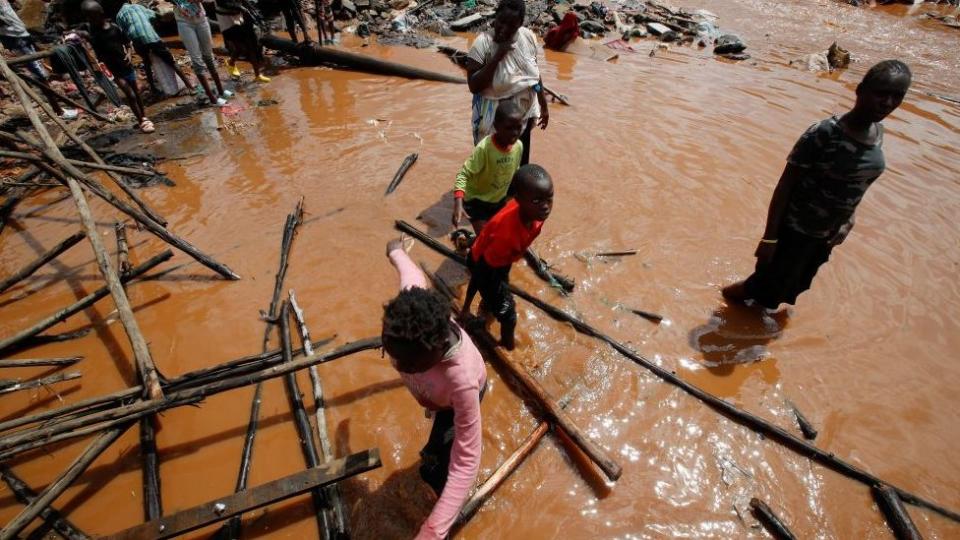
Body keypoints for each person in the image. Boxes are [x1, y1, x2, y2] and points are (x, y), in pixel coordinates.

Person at [722, 60, 912, 310]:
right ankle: (724, 301)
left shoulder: (878, 133)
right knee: (760, 288)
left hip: (826, 235)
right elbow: (784, 187)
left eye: (896, 96)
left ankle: (752, 323)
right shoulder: (825, 133)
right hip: (795, 230)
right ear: (860, 89)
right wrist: (769, 240)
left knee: (791, 288)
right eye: (881, 93)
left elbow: (859, 182)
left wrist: (849, 219)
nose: (887, 103)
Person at [383, 238, 487, 540]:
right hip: (434, 394)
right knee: (432, 461)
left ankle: (447, 501)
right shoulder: (410, 314)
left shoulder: (462, 381)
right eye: (391, 353)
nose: (398, 366)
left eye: (407, 364)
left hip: (451, 405)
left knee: (434, 467)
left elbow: (467, 458)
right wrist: (396, 251)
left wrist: (432, 530)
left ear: (438, 350)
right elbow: (411, 274)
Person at [462, 164, 554, 350]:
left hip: (500, 260)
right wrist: (466, 307)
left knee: (495, 297)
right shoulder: (505, 235)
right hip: (485, 263)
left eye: (549, 199)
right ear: (519, 200)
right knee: (509, 316)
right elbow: (480, 271)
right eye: (537, 201)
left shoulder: (536, 216)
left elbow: (522, 243)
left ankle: (486, 307)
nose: (545, 207)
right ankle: (508, 348)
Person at [464, 0, 548, 166]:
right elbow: (473, 86)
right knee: (491, 167)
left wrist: (543, 104)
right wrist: (498, 57)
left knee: (519, 165)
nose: (503, 28)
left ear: (520, 24)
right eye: (501, 21)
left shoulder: (528, 38)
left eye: (511, 25)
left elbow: (534, 75)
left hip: (522, 118)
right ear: (496, 16)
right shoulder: (483, 44)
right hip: (496, 122)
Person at [78, 0, 154, 132]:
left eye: (93, 17)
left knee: (136, 92)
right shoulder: (93, 33)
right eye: (89, 17)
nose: (91, 20)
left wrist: (129, 54)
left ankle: (143, 117)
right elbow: (96, 50)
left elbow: (127, 43)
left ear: (101, 14)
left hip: (126, 65)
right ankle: (142, 121)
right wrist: (85, 38)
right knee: (130, 95)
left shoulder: (114, 28)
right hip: (113, 70)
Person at [452, 100, 524, 233]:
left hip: (498, 200)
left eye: (518, 127)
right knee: (485, 239)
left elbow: (515, 172)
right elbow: (463, 174)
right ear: (496, 126)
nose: (515, 132)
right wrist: (458, 203)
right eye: (509, 128)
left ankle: (468, 242)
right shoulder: (484, 148)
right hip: (476, 201)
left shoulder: (518, 146)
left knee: (501, 235)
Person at [114, 0, 201, 99]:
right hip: (151, 37)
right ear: (129, 1)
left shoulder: (119, 16)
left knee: (146, 63)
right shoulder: (139, 7)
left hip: (137, 41)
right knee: (171, 62)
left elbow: (124, 33)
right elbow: (154, 17)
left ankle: (153, 89)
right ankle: (190, 87)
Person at [170, 0, 230, 105]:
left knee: (209, 56)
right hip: (184, 22)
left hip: (201, 19)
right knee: (196, 59)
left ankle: (221, 91)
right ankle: (212, 99)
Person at [216, 0, 269, 82]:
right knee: (240, 49)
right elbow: (222, 3)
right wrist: (240, 7)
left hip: (240, 18)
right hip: (228, 23)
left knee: (251, 47)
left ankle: (257, 75)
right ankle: (231, 62)